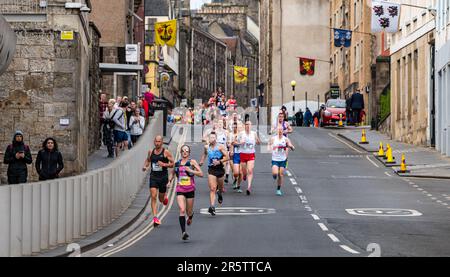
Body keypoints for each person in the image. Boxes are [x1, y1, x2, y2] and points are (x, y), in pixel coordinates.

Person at [169, 145, 203, 241]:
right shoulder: (177, 163)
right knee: (182, 210)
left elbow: (201, 174)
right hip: (180, 190)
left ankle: (191, 216)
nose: (185, 152)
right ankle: (183, 232)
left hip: (190, 190)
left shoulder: (192, 162)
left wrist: (191, 170)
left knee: (188, 211)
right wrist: (169, 181)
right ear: (180, 152)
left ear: (189, 153)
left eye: (186, 151)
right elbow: (172, 173)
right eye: (183, 151)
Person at [142, 136, 175, 226]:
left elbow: (173, 164)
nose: (157, 143)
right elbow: (148, 160)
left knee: (160, 199)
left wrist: (164, 164)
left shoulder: (166, 152)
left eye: (159, 141)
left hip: (163, 178)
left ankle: (164, 198)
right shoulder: (151, 152)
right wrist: (145, 166)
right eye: (156, 141)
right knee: (153, 196)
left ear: (162, 142)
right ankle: (155, 218)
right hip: (153, 177)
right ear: (154, 141)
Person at [199, 132, 229, 216]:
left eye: (213, 137)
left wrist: (219, 161)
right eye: (210, 137)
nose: (211, 139)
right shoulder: (206, 147)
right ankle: (212, 207)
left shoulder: (220, 147)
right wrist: (202, 161)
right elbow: (205, 154)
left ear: (216, 139)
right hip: (211, 169)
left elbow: (227, 157)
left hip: (220, 169)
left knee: (221, 188)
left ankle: (219, 193)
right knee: (212, 188)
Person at [269, 126, 295, 196]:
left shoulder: (285, 139)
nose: (280, 131)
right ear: (277, 131)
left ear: (283, 131)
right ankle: (274, 174)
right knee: (275, 173)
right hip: (275, 159)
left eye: (281, 130)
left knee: (280, 174)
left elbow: (290, 145)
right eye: (278, 130)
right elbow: (269, 146)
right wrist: (271, 148)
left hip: (282, 159)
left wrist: (291, 147)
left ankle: (278, 189)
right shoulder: (273, 138)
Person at [239, 121, 261, 195]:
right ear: (245, 126)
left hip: (251, 154)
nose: (248, 126)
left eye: (249, 124)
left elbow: (258, 142)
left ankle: (248, 187)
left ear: (251, 126)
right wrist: (240, 142)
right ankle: (244, 175)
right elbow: (235, 141)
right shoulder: (241, 133)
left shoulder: (253, 133)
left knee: (250, 170)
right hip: (243, 154)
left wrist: (258, 141)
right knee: (244, 171)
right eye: (246, 124)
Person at [229, 122, 243, 192]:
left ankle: (239, 186)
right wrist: (231, 151)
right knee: (236, 172)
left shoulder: (245, 135)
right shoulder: (235, 136)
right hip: (236, 155)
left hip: (243, 154)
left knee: (241, 172)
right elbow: (232, 143)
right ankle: (235, 179)